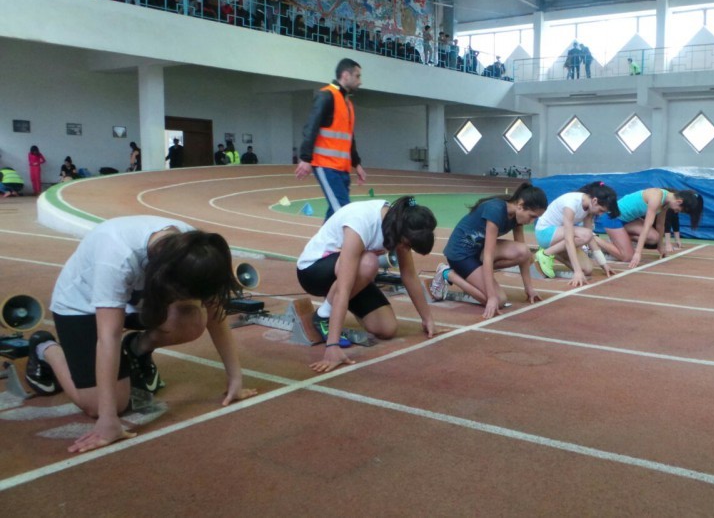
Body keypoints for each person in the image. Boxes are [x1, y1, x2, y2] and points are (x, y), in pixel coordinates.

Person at [24, 216, 258, 452]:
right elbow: (108, 337)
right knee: (108, 404)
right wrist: (108, 420)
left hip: (135, 300)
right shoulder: (116, 255)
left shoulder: (195, 250)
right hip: (81, 307)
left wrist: (235, 379)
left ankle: (137, 349)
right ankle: (45, 348)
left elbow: (215, 316)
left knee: (193, 320)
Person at [296, 196, 437, 373]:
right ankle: (323, 315)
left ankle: (334, 309)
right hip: (314, 271)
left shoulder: (401, 224)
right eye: (407, 245)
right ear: (399, 230)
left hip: (354, 272)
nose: (406, 249)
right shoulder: (361, 222)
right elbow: (344, 289)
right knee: (369, 262)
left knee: (387, 329)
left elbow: (408, 275)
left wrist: (427, 319)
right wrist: (332, 346)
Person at [428, 183, 549, 318]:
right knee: (499, 300)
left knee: (524, 252)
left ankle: (475, 274)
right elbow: (488, 255)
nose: (532, 222)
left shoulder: (517, 218)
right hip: (461, 255)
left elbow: (525, 257)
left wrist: (529, 289)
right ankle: (448, 273)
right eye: (532, 216)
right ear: (520, 205)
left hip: (479, 250)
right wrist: (491, 297)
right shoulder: (495, 210)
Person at [296, 58, 368, 220]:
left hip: (341, 169)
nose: (360, 81)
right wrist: (306, 158)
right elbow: (311, 127)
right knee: (343, 212)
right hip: (325, 165)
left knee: (334, 212)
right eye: (357, 76)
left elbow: (349, 137)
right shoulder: (327, 96)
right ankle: (337, 245)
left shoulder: (347, 103)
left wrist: (356, 164)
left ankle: (323, 245)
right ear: (345, 75)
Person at [534, 182, 620, 287]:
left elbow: (590, 238)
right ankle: (545, 254)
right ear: (594, 201)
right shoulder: (571, 203)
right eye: (601, 210)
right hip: (545, 233)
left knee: (587, 270)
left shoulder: (590, 209)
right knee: (585, 235)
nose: (600, 214)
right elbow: (569, 239)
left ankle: (553, 252)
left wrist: (603, 263)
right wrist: (577, 271)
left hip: (558, 238)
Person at [597, 188, 704, 268]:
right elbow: (647, 226)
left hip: (628, 220)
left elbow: (660, 225)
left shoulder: (666, 203)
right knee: (627, 257)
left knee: (654, 238)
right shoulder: (656, 197)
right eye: (679, 210)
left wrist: (660, 246)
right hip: (612, 218)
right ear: (679, 201)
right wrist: (638, 253)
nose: (676, 212)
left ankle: (618, 240)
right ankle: (594, 239)